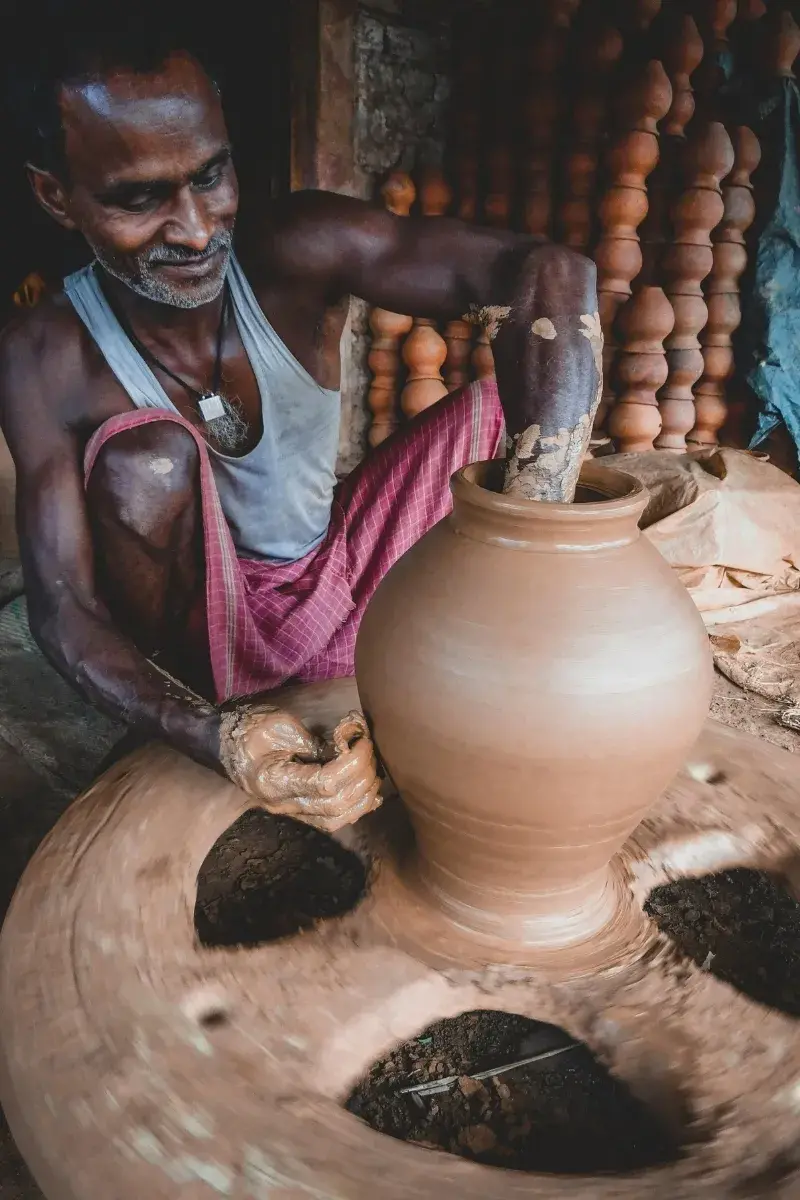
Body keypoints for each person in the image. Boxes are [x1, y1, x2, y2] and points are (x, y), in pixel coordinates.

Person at [0, 30, 599, 830]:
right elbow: (63, 605)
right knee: (146, 459)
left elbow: (550, 272)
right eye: (138, 199)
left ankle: (379, 655)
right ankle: (245, 709)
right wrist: (212, 736)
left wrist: (539, 517)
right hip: (215, 649)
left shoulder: (295, 248)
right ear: (56, 197)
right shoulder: (42, 356)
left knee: (513, 399)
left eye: (209, 176)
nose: (193, 228)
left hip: (339, 572)